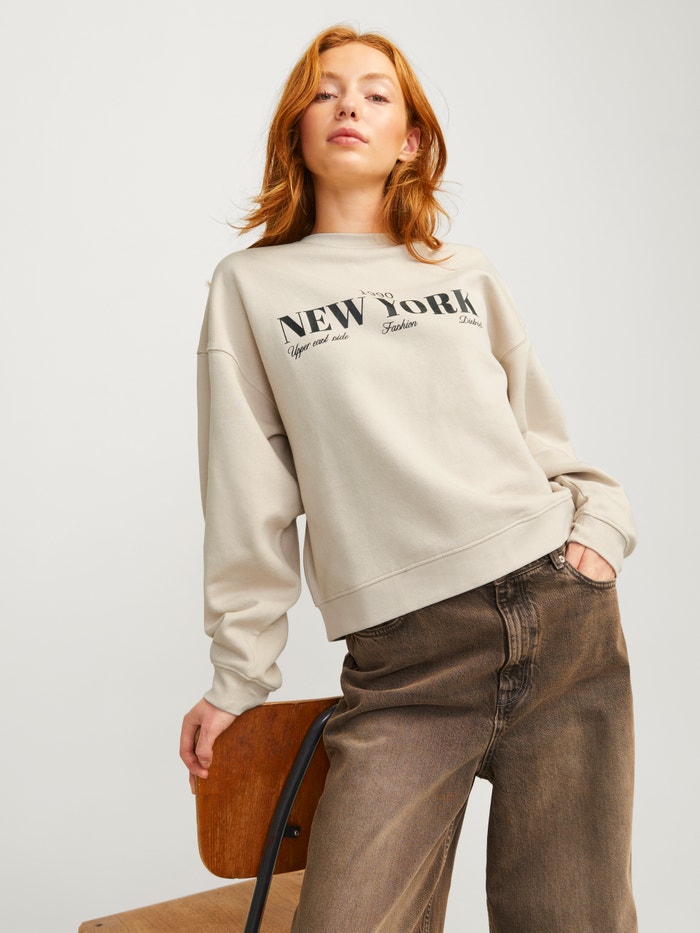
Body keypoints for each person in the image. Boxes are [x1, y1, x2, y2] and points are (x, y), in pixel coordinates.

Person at [180, 24, 637, 932]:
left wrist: (601, 532)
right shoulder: (251, 286)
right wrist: (238, 678)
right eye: (324, 91)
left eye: (376, 93)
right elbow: (246, 495)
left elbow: (546, 441)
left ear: (411, 139)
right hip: (406, 658)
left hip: (560, 614)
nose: (348, 104)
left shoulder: (464, 273)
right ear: (296, 128)